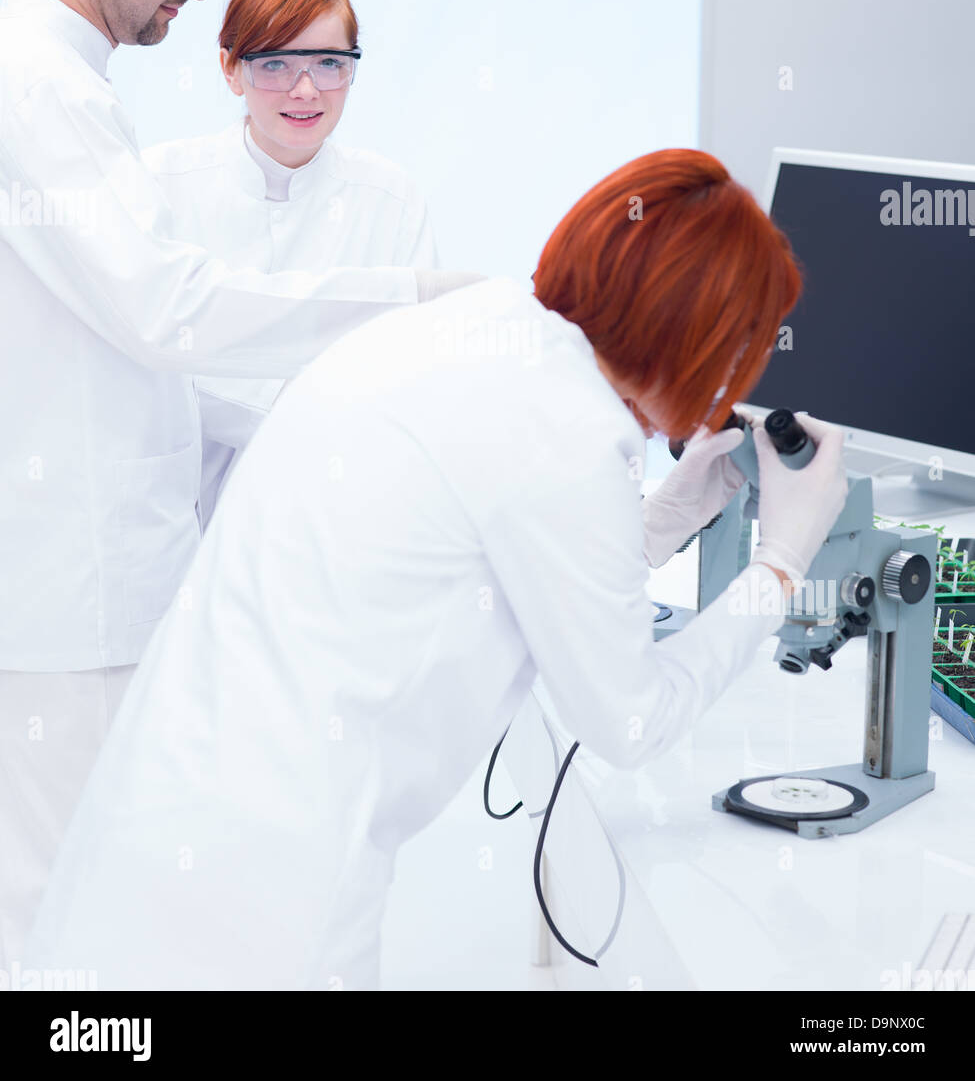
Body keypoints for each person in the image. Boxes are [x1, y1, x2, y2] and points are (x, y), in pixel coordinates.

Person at [26, 149, 848, 990]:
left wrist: (671, 512)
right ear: (695, 338)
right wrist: (782, 562)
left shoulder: (478, 332)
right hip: (267, 895)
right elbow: (630, 722)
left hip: (155, 830)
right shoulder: (563, 430)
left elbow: (494, 568)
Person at [0, 0, 465, 970]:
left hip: (122, 578)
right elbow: (168, 307)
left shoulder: (66, 82)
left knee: (95, 900)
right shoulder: (43, 91)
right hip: (77, 591)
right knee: (61, 909)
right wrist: (404, 294)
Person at [142, 0, 437, 526]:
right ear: (231, 68)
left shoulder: (390, 198)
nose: (306, 90)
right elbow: (155, 370)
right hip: (184, 523)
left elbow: (411, 377)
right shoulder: (160, 183)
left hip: (343, 519)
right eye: (275, 62)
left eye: (329, 63)